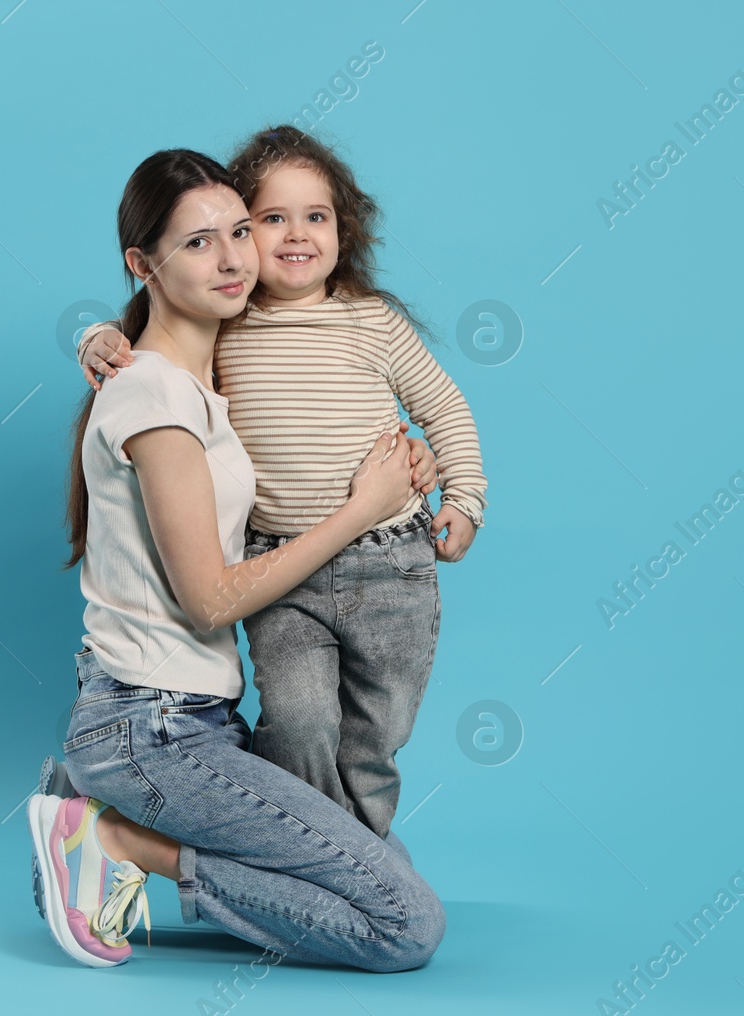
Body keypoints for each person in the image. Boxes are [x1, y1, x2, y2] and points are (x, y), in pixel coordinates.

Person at [29, 147, 445, 972]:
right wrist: (361, 509)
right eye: (197, 242)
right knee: (404, 925)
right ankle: (113, 837)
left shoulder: (203, 373)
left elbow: (308, 406)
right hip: (149, 728)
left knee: (381, 874)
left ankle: (111, 819)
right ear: (142, 263)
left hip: (200, 721)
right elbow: (213, 600)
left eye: (239, 232)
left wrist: (406, 469)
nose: (230, 258)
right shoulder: (156, 399)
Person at [77, 125, 487, 839]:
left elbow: (444, 406)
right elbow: (156, 321)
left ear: (344, 229)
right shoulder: (232, 320)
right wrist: (97, 337)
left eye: (317, 217)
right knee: (298, 721)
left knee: (374, 738)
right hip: (283, 570)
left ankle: (361, 856)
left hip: (391, 563)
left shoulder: (372, 322)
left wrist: (464, 498)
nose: (295, 234)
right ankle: (317, 856)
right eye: (271, 220)